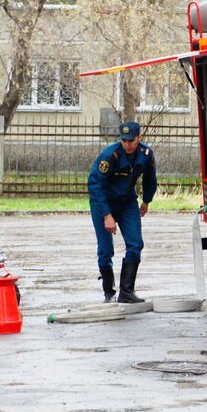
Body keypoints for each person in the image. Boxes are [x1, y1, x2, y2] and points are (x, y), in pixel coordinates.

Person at [87, 121, 158, 303]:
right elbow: (95, 185)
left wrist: (147, 201)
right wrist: (106, 215)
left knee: (135, 244)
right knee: (105, 250)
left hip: (127, 203)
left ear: (139, 138)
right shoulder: (110, 156)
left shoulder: (146, 155)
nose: (127, 144)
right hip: (104, 203)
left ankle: (126, 292)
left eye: (131, 140)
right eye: (124, 140)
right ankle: (109, 292)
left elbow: (151, 179)